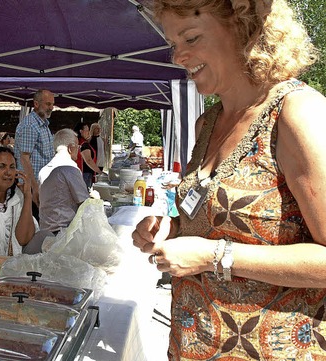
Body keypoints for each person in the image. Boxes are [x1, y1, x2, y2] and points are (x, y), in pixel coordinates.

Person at [131, 0, 326, 359]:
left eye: (190, 37)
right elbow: (225, 225)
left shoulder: (298, 113)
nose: (178, 57)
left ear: (244, 27)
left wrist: (213, 256)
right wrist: (172, 229)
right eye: (174, 44)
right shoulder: (207, 124)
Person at [38, 128, 90, 235]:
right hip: (64, 231)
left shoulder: (43, 170)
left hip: (45, 230)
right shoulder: (70, 168)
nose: (79, 150)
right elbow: (84, 203)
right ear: (71, 148)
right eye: (77, 146)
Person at [14, 89, 55, 205]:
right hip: (31, 187)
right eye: (48, 104)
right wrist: (34, 188)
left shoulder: (43, 124)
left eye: (52, 104)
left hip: (41, 184)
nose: (51, 107)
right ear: (36, 104)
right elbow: (24, 159)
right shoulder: (30, 125)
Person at [75, 122, 100, 188]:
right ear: (81, 131)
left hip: (81, 172)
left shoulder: (79, 142)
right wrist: (99, 171)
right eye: (87, 130)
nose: (89, 132)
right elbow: (88, 160)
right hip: (85, 173)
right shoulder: (83, 144)